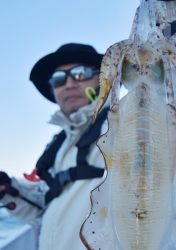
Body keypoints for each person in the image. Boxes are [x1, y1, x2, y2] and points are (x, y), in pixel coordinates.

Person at [0, 43, 108, 250]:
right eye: (59, 79)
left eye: (80, 73)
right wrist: (8, 192)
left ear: (102, 79)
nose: (68, 84)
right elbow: (45, 210)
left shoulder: (124, 123)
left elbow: (174, 101)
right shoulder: (59, 144)